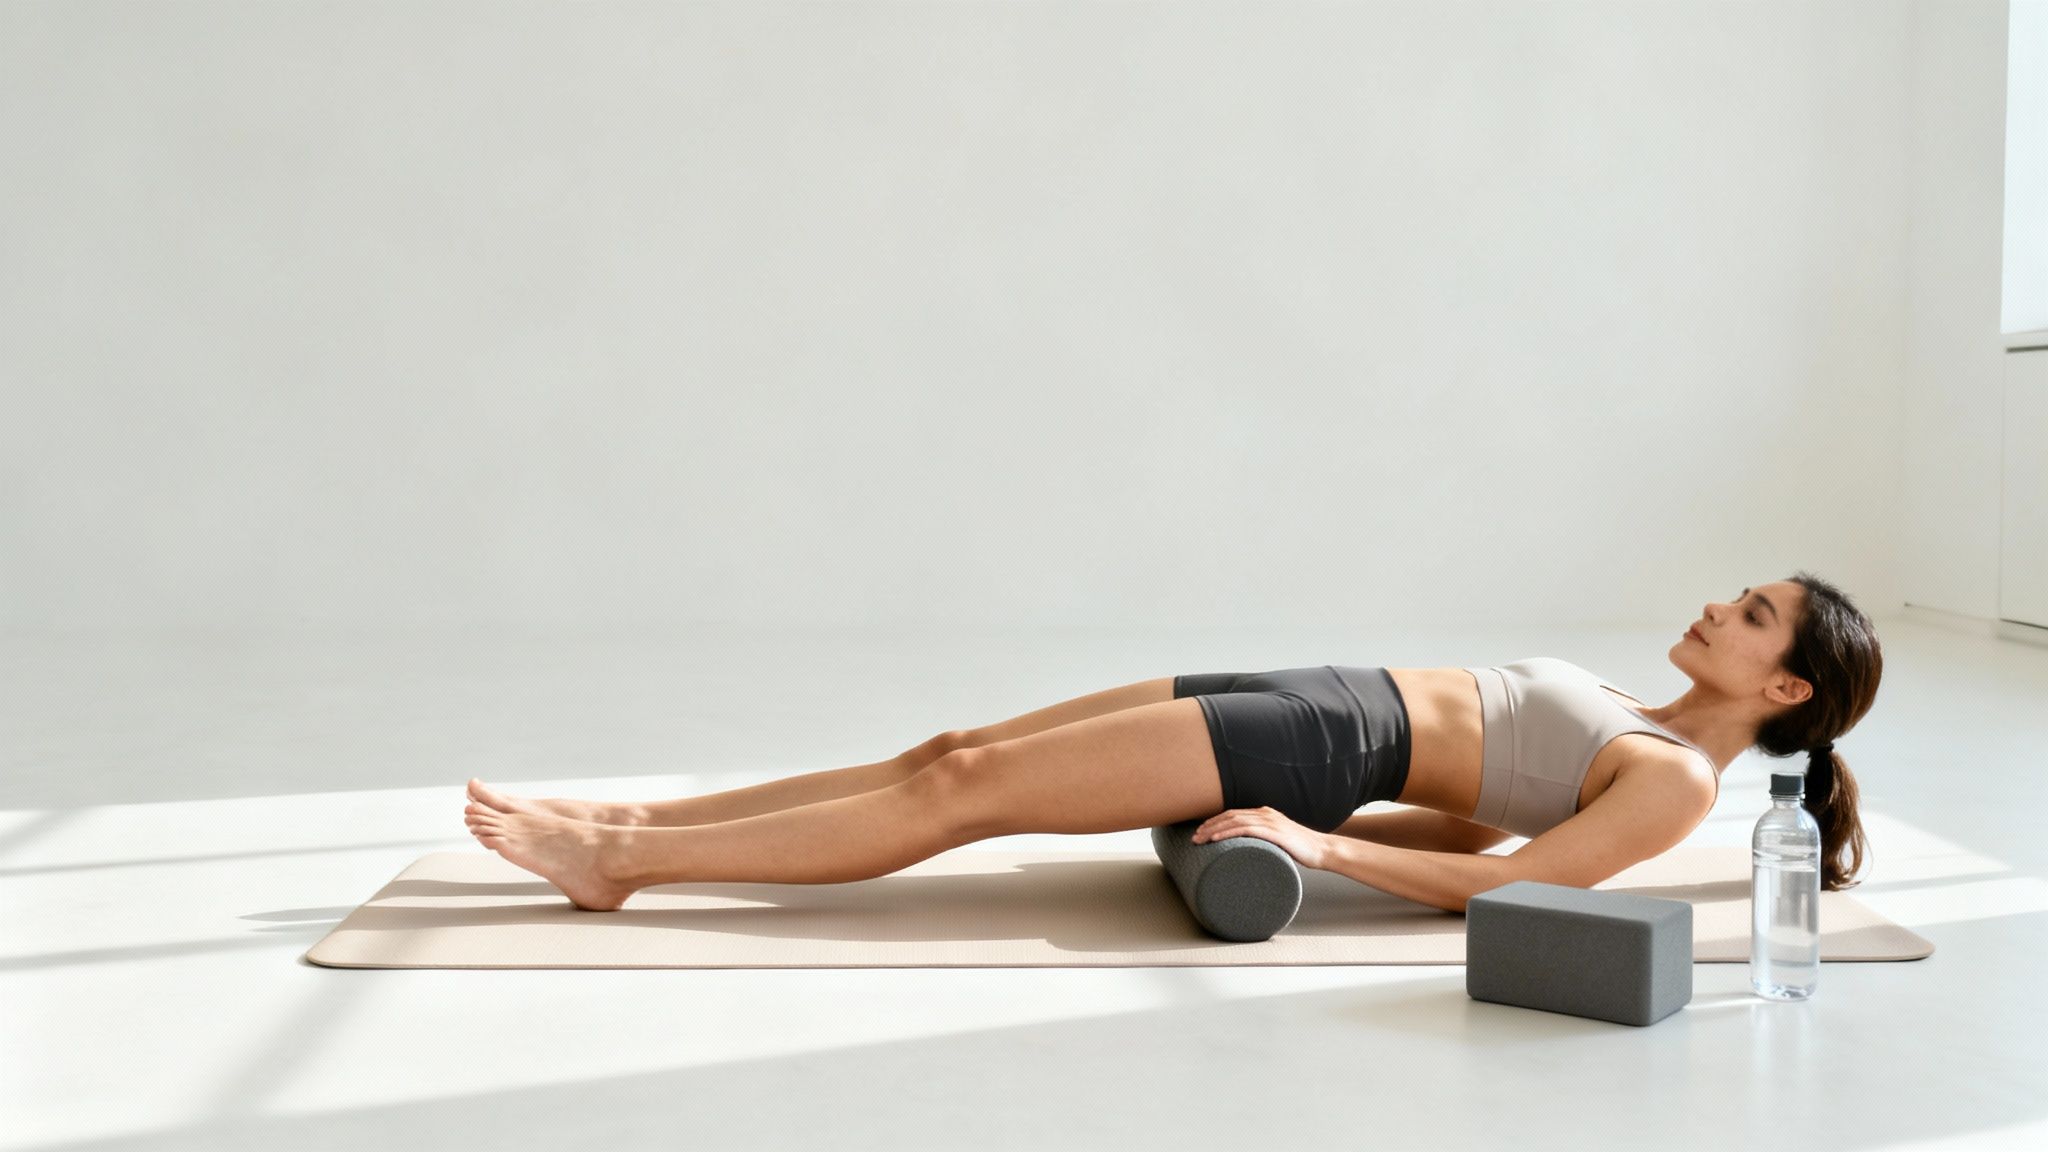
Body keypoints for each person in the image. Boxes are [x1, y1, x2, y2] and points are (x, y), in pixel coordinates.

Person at [464, 570, 1880, 912]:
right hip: (1314, 692)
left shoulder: (1680, 783)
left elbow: (1526, 884)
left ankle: (622, 866)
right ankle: (638, 824)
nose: (1718, 604)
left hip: (1325, 750)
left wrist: (1312, 842)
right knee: (951, 743)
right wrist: (1350, 838)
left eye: (1751, 616)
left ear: (1788, 692)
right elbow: (1474, 823)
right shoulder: (1635, 725)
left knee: (964, 792)